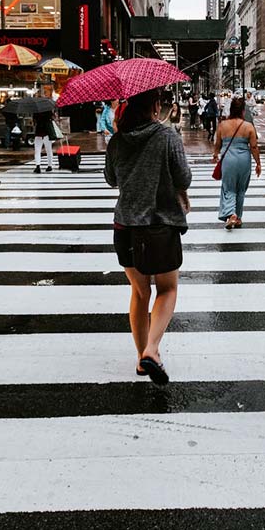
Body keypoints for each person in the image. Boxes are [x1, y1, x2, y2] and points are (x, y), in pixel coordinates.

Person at [104, 89, 192, 386]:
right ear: (155, 105)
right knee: (167, 290)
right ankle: (152, 350)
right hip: (159, 226)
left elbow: (111, 179)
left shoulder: (117, 140)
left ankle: (141, 357)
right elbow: (184, 178)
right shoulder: (167, 136)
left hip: (124, 226)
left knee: (140, 293)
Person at [212, 96, 261, 230]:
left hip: (228, 158)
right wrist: (258, 163)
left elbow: (218, 143)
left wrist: (216, 154)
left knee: (228, 188)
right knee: (241, 189)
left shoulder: (223, 125)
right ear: (242, 111)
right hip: (244, 159)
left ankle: (231, 214)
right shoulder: (248, 126)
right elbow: (254, 147)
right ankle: (238, 217)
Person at [32, 106, 57, 173]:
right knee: (49, 150)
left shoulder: (36, 112)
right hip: (47, 133)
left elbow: (34, 122)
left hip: (39, 133)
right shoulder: (48, 111)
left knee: (37, 151)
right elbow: (53, 118)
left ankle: (38, 166)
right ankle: (50, 165)